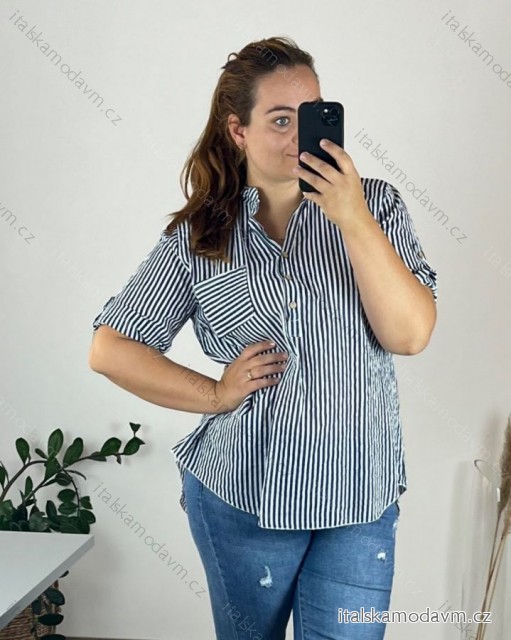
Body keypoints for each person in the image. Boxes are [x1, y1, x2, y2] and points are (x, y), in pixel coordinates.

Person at [89, 36, 438, 640]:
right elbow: (110, 349)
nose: (301, 134)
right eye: (280, 120)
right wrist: (215, 393)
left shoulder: (375, 205)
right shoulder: (201, 235)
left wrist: (351, 215)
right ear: (238, 131)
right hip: (244, 497)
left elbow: (409, 335)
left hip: (361, 497)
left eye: (312, 114)